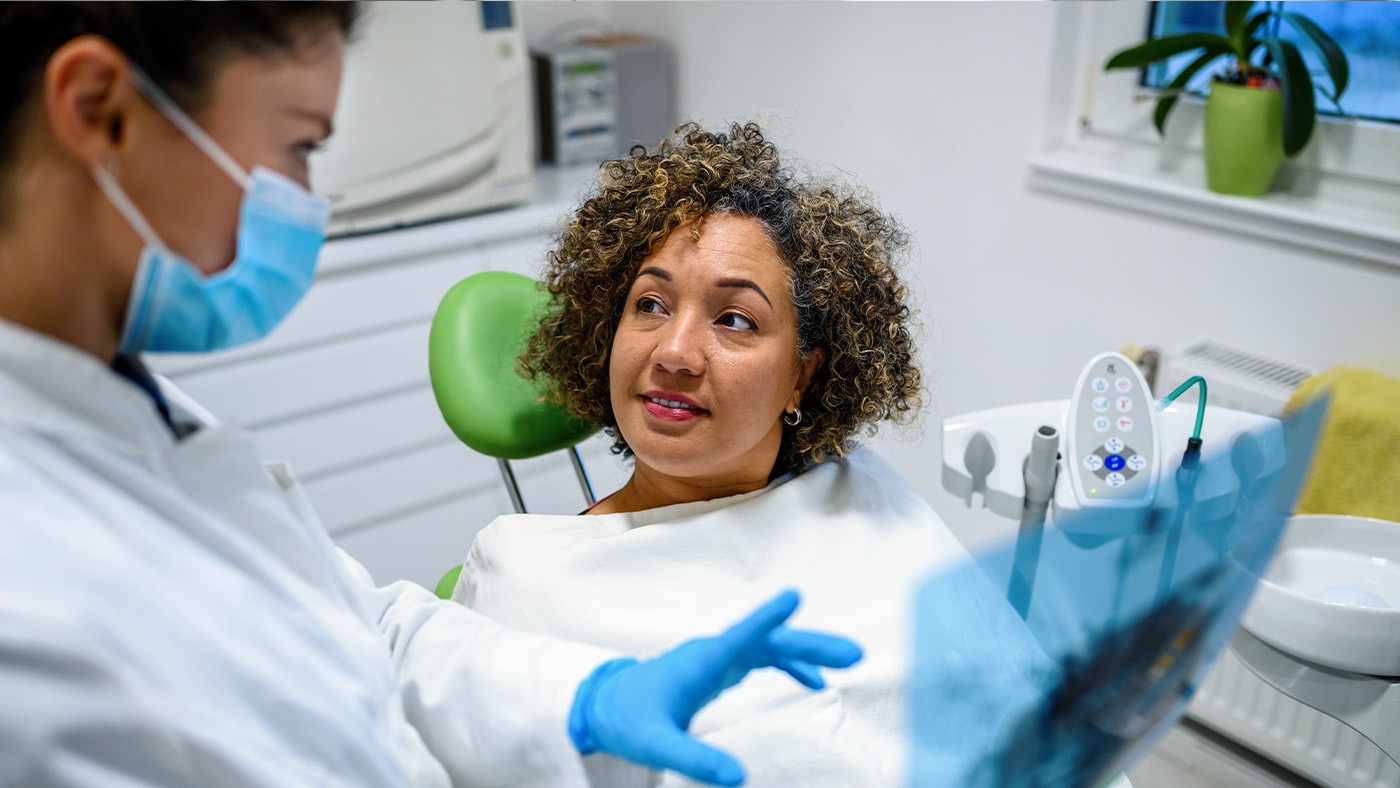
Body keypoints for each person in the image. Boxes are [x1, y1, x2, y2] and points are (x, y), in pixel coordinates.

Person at [0, 5, 863, 787]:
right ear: (96, 108)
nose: (307, 203)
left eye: (736, 320)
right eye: (299, 146)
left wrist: (586, 700)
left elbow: (362, 631)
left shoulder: (133, 404)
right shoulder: (32, 613)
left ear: (807, 372)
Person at [452, 122, 965, 785]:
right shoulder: (524, 577)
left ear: (802, 376)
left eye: (735, 320)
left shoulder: (865, 493)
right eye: (651, 305)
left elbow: (1018, 697)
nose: (673, 352)